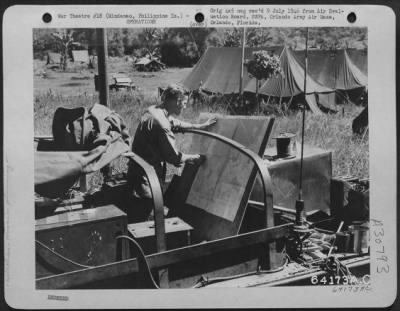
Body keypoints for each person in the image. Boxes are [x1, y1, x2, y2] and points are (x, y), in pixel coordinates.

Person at [127, 84, 217, 222]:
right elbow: (174, 157)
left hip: (136, 171)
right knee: (143, 218)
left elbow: (173, 122)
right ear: (177, 101)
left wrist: (199, 126)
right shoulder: (162, 124)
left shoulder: (153, 110)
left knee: (139, 212)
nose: (185, 107)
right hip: (146, 179)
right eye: (184, 103)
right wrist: (195, 157)